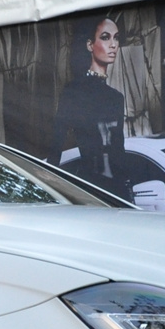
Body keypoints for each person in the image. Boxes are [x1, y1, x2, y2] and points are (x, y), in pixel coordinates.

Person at [51, 16, 132, 199]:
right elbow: (57, 142)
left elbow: (118, 149)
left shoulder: (116, 97)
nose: (113, 45)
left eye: (116, 37)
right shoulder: (73, 91)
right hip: (89, 188)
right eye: (105, 37)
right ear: (90, 45)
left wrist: (127, 187)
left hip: (117, 189)